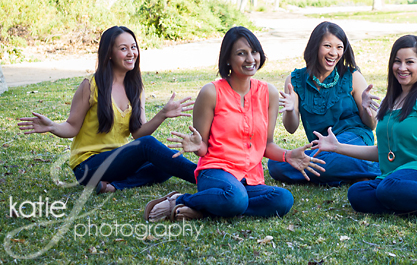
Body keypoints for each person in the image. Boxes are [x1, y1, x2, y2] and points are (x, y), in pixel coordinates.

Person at [144, 27, 325, 221]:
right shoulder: (211, 92)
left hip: (250, 178)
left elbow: (266, 145)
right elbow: (203, 149)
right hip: (215, 172)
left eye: (254, 52)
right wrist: (197, 145)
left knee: (283, 199)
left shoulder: (269, 93)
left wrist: (288, 155)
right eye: (241, 53)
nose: (250, 59)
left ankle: (204, 209)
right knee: (236, 198)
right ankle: (179, 200)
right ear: (228, 59)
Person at [313, 35, 417, 224]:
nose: (402, 68)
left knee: (387, 187)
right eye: (397, 61)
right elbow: (383, 152)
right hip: (396, 177)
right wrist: (337, 147)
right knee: (357, 193)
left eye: (409, 62)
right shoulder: (391, 99)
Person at [18, 26, 197, 194]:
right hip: (88, 166)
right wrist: (52, 126)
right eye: (123, 48)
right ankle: (200, 175)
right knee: (156, 150)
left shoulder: (135, 88)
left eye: (133, 47)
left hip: (118, 163)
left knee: (167, 162)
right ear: (109, 54)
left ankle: (113, 186)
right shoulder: (91, 86)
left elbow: (138, 134)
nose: (131, 53)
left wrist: (162, 114)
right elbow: (72, 127)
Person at [267, 21, 380, 186]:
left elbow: (371, 125)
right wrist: (290, 110)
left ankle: (376, 167)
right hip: (322, 146)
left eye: (339, 47)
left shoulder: (352, 76)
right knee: (276, 164)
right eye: (327, 46)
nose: (334, 53)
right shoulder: (294, 80)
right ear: (315, 47)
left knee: (327, 159)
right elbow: (291, 129)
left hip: (354, 139)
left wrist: (366, 108)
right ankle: (354, 172)